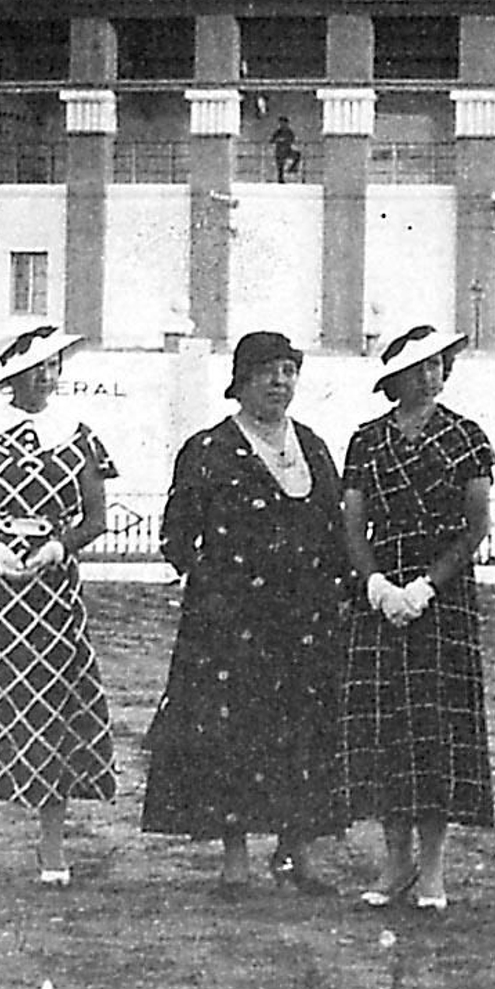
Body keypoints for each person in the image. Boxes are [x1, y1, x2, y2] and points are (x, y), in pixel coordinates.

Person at [141, 331, 350, 896]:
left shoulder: (314, 447)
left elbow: (335, 528)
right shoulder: (207, 449)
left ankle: (297, 853)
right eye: (267, 372)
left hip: (304, 624)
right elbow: (178, 536)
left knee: (302, 733)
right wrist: (218, 587)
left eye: (288, 371)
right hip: (232, 628)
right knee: (235, 734)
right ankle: (235, 860)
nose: (279, 383)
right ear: (242, 380)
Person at [0, 326, 117, 887]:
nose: (49, 376)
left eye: (55, 366)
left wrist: (58, 547)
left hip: (53, 595)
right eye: (38, 368)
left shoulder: (77, 436)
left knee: (53, 703)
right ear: (13, 377)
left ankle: (51, 848)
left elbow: (96, 517)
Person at [340, 325, 495, 910]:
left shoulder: (466, 437)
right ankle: (396, 862)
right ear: (397, 378)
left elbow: (476, 526)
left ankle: (432, 868)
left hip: (443, 592)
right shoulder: (366, 440)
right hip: (380, 592)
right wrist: (376, 583)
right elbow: (352, 523)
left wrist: (428, 584)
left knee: (436, 728)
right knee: (388, 728)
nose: (430, 375)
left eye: (438, 364)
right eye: (419, 367)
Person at [269, 117, 302, 183]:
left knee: (297, 155)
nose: (282, 125)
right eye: (281, 123)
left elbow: (293, 139)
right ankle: (281, 179)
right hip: (279, 151)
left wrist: (288, 142)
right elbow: (271, 140)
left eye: (284, 123)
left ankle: (292, 169)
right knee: (280, 165)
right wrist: (279, 140)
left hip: (287, 150)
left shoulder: (289, 132)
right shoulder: (278, 132)